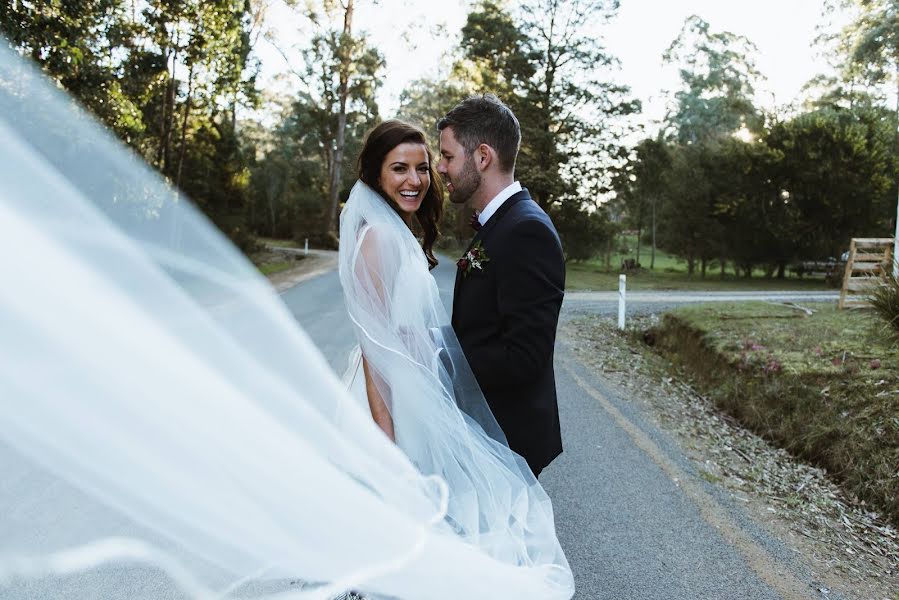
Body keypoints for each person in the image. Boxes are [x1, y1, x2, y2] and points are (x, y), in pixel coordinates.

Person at [338, 120, 572, 591]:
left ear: (481, 157)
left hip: (439, 411)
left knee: (450, 551)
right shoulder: (379, 240)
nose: (423, 177)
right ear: (375, 175)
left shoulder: (504, 229)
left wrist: (435, 350)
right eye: (400, 168)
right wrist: (389, 444)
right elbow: (375, 352)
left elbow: (519, 353)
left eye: (429, 164)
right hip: (398, 414)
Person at [437, 95, 566, 479]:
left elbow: (525, 356)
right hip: (488, 434)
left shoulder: (526, 230)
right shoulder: (502, 223)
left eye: (447, 156)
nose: (441, 168)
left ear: (482, 157)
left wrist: (437, 358)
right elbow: (485, 327)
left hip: (507, 444)